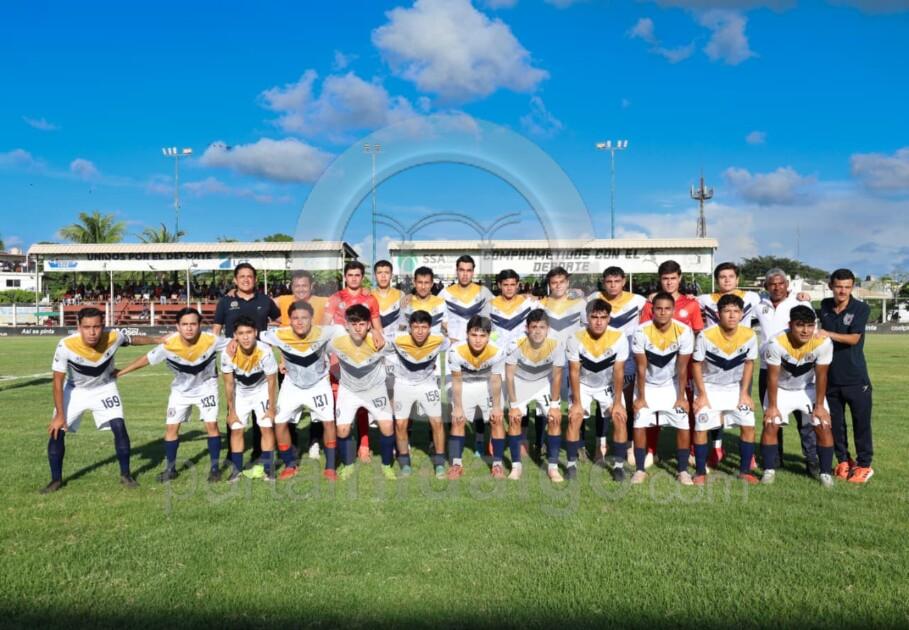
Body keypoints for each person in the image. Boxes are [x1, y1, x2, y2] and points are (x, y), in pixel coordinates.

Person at [41, 307, 158, 493]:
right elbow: (57, 382)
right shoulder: (66, 345)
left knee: (119, 426)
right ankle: (55, 480)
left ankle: (126, 475)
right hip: (75, 390)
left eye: (96, 327)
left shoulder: (113, 336)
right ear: (78, 327)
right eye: (87, 327)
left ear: (102, 326)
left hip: (105, 388)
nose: (92, 332)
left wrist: (157, 340)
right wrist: (60, 415)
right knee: (57, 431)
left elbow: (132, 339)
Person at [118, 307, 231, 482]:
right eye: (184, 324)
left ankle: (214, 469)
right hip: (180, 391)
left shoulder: (211, 340)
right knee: (171, 428)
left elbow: (235, 343)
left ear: (200, 325)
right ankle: (171, 469)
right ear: (177, 326)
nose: (189, 328)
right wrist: (121, 372)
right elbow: (146, 359)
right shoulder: (169, 344)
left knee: (211, 426)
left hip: (206, 388)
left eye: (193, 324)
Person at [260, 301, 340, 481]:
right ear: (289, 320)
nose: (300, 322)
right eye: (295, 318)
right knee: (280, 423)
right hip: (292, 385)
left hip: (318, 385)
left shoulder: (325, 332)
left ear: (312, 318)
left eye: (304, 317)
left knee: (328, 422)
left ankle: (330, 467)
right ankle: (290, 465)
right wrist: (234, 341)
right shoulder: (278, 334)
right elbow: (255, 335)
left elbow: (347, 331)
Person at [760, 305, 835, 487]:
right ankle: (769, 471)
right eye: (800, 325)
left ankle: (825, 473)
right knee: (771, 424)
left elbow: (822, 375)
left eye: (810, 325)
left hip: (807, 389)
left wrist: (819, 406)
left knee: (823, 425)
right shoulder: (776, 343)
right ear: (790, 325)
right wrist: (772, 406)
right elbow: (772, 377)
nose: (805, 330)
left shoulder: (823, 343)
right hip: (781, 389)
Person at [696, 262, 762, 468]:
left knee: (744, 412)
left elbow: (773, 305)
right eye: (722, 277)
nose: (727, 280)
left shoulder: (752, 297)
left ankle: (748, 457)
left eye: (731, 276)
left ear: (737, 279)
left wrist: (800, 297)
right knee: (712, 414)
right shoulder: (705, 299)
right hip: (714, 360)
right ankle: (716, 448)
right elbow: (681, 302)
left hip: (739, 362)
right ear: (716, 280)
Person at [213, 263, 280, 463]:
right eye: (241, 276)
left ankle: (259, 453)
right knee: (233, 406)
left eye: (249, 276)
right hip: (234, 358)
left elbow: (279, 321)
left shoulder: (265, 300)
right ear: (235, 280)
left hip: (259, 359)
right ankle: (232, 455)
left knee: (262, 410)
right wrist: (218, 351)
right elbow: (216, 330)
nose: (245, 279)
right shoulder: (226, 302)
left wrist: (268, 340)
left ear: (255, 279)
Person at [639, 260, 704, 467]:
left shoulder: (692, 304)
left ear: (680, 278)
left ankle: (691, 451)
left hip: (684, 366)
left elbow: (698, 333)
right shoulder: (650, 304)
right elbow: (644, 334)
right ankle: (651, 451)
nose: (669, 282)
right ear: (660, 280)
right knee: (653, 409)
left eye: (673, 278)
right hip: (657, 367)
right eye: (665, 278)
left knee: (687, 406)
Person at [753, 268, 816, 478]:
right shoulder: (758, 304)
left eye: (781, 283)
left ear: (787, 285)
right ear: (766, 286)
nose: (777, 287)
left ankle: (812, 462)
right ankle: (773, 461)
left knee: (805, 418)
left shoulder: (800, 302)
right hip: (768, 368)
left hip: (798, 367)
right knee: (772, 416)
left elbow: (811, 332)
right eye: (772, 284)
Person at [690, 294, 759, 485]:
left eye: (736, 311)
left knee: (749, 425)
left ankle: (744, 471)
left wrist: (744, 394)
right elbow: (696, 365)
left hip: (734, 389)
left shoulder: (750, 335)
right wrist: (701, 395)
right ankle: (700, 472)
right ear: (718, 314)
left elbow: (749, 363)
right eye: (727, 311)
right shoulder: (706, 335)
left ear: (742, 314)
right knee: (701, 428)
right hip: (709, 388)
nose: (732, 315)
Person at [631, 292, 695, 485]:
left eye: (667, 309)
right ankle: (640, 470)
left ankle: (682, 471)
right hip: (647, 386)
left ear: (673, 310)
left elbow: (682, 368)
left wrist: (681, 397)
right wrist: (641, 398)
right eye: (658, 308)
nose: (663, 312)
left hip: (671, 386)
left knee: (683, 424)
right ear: (652, 310)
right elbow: (641, 368)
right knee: (639, 423)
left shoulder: (684, 331)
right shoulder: (641, 331)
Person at [323, 260, 384, 463]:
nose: (354, 279)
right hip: (339, 358)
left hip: (363, 358)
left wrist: (376, 332)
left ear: (362, 277)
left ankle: (364, 445)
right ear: (345, 277)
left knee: (362, 402)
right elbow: (324, 327)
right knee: (338, 402)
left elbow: (377, 327)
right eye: (350, 275)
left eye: (357, 275)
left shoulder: (371, 299)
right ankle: (342, 444)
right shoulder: (335, 298)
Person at [329, 304, 399, 480]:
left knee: (387, 426)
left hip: (375, 390)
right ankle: (348, 464)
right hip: (349, 390)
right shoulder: (336, 342)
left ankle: (387, 465)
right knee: (342, 430)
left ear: (368, 324)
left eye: (361, 324)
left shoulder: (379, 342)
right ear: (346, 325)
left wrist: (377, 332)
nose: (357, 328)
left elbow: (402, 348)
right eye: (353, 324)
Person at [818, 268, 874, 483]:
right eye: (839, 286)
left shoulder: (860, 308)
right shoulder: (824, 305)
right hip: (830, 377)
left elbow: (853, 339)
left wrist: (827, 334)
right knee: (836, 425)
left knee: (861, 424)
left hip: (855, 378)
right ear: (831, 286)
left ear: (852, 287)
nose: (842, 291)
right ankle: (843, 461)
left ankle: (864, 465)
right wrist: (801, 297)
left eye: (847, 287)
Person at [566, 299, 629, 481]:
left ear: (609, 318)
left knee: (619, 417)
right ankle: (571, 465)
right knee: (575, 417)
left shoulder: (619, 337)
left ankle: (618, 467)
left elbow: (619, 371)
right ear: (587, 318)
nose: (599, 322)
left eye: (603, 317)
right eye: (594, 317)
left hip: (607, 385)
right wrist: (577, 403)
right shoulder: (575, 337)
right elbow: (574, 371)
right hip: (583, 385)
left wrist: (618, 403)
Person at [588, 266, 645, 466]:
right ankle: (601, 446)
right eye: (609, 282)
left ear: (624, 281)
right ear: (603, 282)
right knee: (602, 404)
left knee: (626, 404)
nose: (613, 285)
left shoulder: (638, 301)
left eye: (617, 281)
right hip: (601, 359)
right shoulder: (593, 298)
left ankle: (628, 445)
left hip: (627, 360)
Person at [439, 255, 494, 457]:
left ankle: (479, 440)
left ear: (473, 271)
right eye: (461, 270)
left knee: (479, 396)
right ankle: (456, 441)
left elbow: (493, 316)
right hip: (455, 352)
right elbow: (439, 318)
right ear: (456, 271)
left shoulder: (483, 293)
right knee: (454, 397)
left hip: (477, 351)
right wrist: (448, 334)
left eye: (469, 270)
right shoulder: (445, 293)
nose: (465, 274)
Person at [273, 270, 329, 461]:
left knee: (317, 410)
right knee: (288, 409)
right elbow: (259, 303)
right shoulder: (283, 301)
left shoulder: (323, 302)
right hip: (289, 364)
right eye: (297, 286)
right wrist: (233, 292)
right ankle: (293, 444)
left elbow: (346, 301)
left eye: (304, 285)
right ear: (291, 287)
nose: (301, 289)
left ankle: (315, 441)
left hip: (315, 365)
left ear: (312, 286)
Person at [387, 310, 450, 479]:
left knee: (437, 423)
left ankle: (439, 464)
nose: (420, 331)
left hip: (428, 385)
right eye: (415, 327)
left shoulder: (440, 340)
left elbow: (458, 343)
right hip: (403, 385)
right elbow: (376, 339)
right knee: (400, 424)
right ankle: (405, 463)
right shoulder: (397, 338)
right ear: (409, 328)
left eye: (424, 327)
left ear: (430, 328)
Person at [504, 309, 564, 481]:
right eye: (534, 327)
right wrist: (513, 406)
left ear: (548, 329)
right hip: (521, 383)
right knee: (514, 419)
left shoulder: (556, 345)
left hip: (544, 384)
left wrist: (554, 405)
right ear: (527, 328)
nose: (538, 331)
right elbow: (509, 375)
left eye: (542, 327)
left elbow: (557, 375)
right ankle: (516, 467)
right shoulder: (515, 344)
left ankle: (553, 468)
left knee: (554, 419)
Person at [447, 315, 505, 480]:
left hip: (487, 384)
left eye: (482, 335)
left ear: (488, 336)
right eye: (474, 335)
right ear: (467, 334)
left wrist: (497, 406)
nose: (478, 340)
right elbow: (456, 380)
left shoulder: (497, 351)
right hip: (464, 385)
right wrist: (458, 407)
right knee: (457, 420)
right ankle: (456, 465)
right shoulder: (455, 350)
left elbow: (496, 379)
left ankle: (497, 465)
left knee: (497, 420)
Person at [221, 315, 278, 482]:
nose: (245, 337)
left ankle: (269, 470)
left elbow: (272, 381)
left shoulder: (265, 351)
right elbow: (228, 384)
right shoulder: (228, 354)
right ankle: (236, 470)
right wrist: (231, 411)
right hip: (241, 393)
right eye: (241, 333)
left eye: (249, 332)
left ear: (256, 333)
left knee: (266, 427)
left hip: (261, 390)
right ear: (235, 336)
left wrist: (271, 407)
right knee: (236, 428)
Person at [537, 266, 586, 456]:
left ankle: (579, 443)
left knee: (577, 401)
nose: (558, 286)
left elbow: (587, 330)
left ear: (567, 283)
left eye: (561, 282)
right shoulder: (540, 305)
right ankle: (541, 442)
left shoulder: (580, 304)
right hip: (548, 362)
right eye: (554, 282)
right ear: (549, 284)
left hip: (573, 361)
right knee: (545, 403)